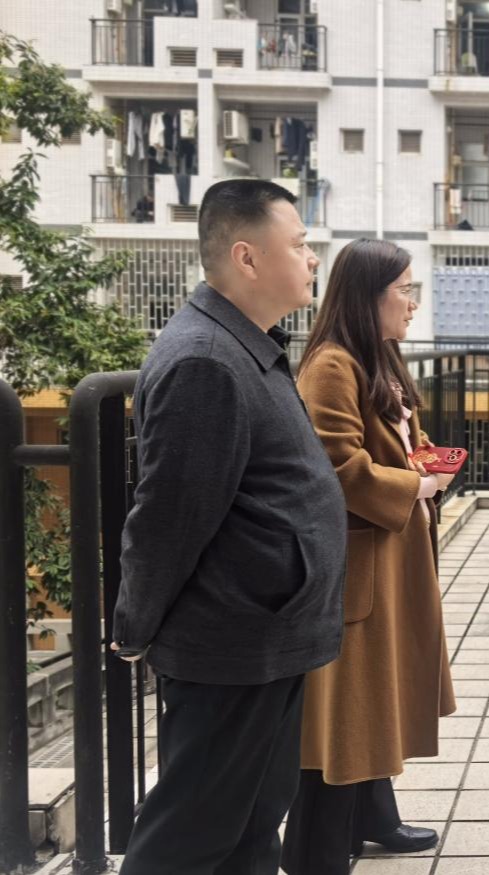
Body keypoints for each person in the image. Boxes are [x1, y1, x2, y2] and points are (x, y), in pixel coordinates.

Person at [112, 178, 345, 875]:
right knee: (188, 837)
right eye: (299, 244)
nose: (312, 258)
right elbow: (169, 517)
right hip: (231, 641)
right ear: (247, 257)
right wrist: (133, 624)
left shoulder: (245, 345)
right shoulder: (205, 360)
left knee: (250, 826)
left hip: (268, 630)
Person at [280, 239, 458, 873]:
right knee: (347, 711)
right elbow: (336, 467)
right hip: (359, 567)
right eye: (404, 290)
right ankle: (316, 853)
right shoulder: (332, 364)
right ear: (368, 296)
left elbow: (397, 441)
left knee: (373, 699)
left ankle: (376, 817)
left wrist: (425, 465)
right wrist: (418, 485)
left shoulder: (376, 355)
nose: (413, 303)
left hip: (388, 555)